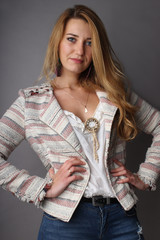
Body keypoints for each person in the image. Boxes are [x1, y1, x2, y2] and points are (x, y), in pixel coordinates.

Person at [0, 4, 159, 240]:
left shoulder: (115, 93)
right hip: (66, 223)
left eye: (89, 42)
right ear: (58, 42)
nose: (79, 51)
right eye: (72, 39)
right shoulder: (32, 103)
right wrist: (42, 189)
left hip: (121, 218)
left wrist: (145, 177)